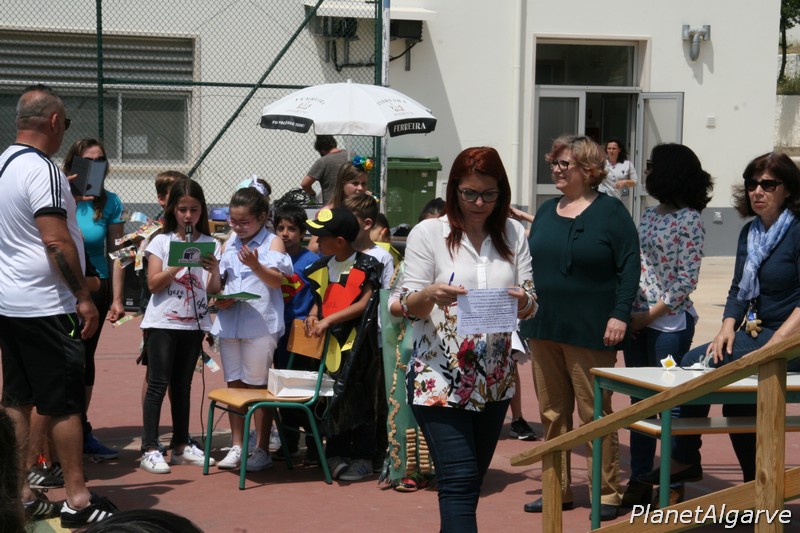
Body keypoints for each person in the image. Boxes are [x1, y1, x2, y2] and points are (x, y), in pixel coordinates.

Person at [639, 151, 800, 488]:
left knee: (695, 364)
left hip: (790, 340)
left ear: (788, 190)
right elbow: (738, 289)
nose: (758, 191)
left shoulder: (797, 232)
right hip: (756, 331)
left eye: (768, 184)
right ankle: (753, 486)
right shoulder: (751, 233)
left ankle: (686, 458)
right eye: (752, 184)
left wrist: (775, 346)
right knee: (733, 400)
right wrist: (727, 326)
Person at [399, 147, 536, 532]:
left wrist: (523, 301)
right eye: (470, 193)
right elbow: (405, 304)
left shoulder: (513, 233)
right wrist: (430, 295)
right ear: (454, 189)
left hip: (496, 380)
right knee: (458, 481)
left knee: (471, 481)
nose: (479, 203)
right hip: (439, 377)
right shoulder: (429, 233)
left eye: (489, 194)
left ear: (502, 192)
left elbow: (531, 301)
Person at [0, 84, 117, 528]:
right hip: (49, 304)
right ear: (53, 122)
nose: (64, 129)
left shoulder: (5, 164)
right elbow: (55, 240)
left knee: (17, 399)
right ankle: (77, 500)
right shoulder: (43, 169)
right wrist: (83, 297)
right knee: (66, 402)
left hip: (12, 303)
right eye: (65, 123)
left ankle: (20, 494)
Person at [518, 135, 639, 521]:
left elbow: (630, 265)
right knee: (552, 413)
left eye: (563, 164)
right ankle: (557, 489)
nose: (555, 169)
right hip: (544, 326)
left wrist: (620, 313)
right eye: (553, 163)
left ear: (588, 169)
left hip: (592, 330)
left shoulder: (611, 212)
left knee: (595, 413)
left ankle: (607, 491)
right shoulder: (547, 210)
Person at [620, 143, 713, 508]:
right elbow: (638, 265)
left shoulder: (689, 220)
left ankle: (672, 481)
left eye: (651, 165)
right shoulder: (649, 214)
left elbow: (686, 280)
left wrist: (650, 315)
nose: (646, 171)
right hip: (639, 321)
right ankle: (641, 478)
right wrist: (632, 313)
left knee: (668, 403)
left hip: (668, 326)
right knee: (639, 403)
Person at [139, 178, 221, 474]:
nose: (188, 216)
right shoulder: (161, 242)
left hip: (193, 323)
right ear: (173, 209)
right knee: (157, 383)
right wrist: (178, 262)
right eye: (183, 209)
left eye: (194, 210)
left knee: (183, 386)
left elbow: (213, 289)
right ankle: (150, 448)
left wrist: (214, 270)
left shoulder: (212, 243)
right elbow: (153, 284)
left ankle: (181, 445)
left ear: (202, 211)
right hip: (162, 322)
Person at [211, 183, 293, 472]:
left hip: (260, 323)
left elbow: (277, 281)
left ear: (261, 217)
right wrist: (219, 297)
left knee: (258, 386)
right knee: (234, 384)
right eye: (233, 220)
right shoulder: (229, 242)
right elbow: (220, 284)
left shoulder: (273, 242)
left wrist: (256, 266)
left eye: (244, 221)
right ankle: (237, 445)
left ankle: (261, 447)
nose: (238, 226)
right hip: (230, 322)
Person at [303, 207, 384, 481]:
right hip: (329, 348)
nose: (315, 242)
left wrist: (328, 320)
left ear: (339, 241)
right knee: (331, 398)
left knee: (360, 400)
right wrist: (314, 315)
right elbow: (320, 299)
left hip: (358, 348)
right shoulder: (322, 266)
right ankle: (336, 452)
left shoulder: (367, 265)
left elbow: (364, 304)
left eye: (320, 237)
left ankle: (363, 457)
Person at [62, 138, 125, 461]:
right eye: (88, 160)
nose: (95, 166)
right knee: (62, 361)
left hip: (96, 288)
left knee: (85, 359)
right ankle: (56, 434)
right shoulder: (58, 195)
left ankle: (81, 430)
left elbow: (117, 253)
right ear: (74, 163)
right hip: (61, 289)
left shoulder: (110, 201)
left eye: (100, 160)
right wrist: (67, 194)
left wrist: (118, 299)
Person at [272, 204, 320, 464]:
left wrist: (312, 316)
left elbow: (321, 295)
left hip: (303, 335)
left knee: (305, 389)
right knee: (281, 387)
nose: (285, 233)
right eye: (280, 228)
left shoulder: (311, 261)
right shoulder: (271, 259)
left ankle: (314, 445)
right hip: (277, 332)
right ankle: (289, 442)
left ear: (303, 233)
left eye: (292, 228)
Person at [300, 135, 350, 205]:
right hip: (352, 202)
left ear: (322, 150)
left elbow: (305, 184)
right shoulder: (351, 155)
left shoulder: (323, 161)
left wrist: (313, 194)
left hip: (332, 204)